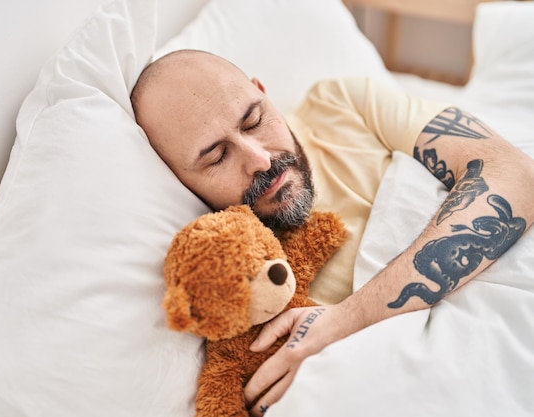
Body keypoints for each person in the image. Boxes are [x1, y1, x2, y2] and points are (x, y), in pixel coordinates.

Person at [130, 49, 534, 416]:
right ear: (178, 180)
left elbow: (514, 175)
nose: (260, 159)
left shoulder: (341, 103)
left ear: (262, 92)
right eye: (217, 156)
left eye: (254, 120)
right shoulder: (225, 265)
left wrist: (344, 320)